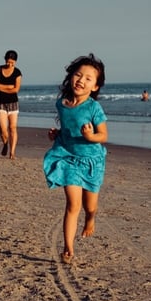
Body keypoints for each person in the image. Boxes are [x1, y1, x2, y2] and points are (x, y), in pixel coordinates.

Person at [43, 54, 108, 263]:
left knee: (90, 207)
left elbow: (103, 135)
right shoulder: (61, 104)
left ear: (95, 86)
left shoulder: (93, 108)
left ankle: (90, 219)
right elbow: (66, 128)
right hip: (67, 157)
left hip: (91, 161)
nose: (81, 80)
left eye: (88, 78)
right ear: (71, 77)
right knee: (73, 204)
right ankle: (68, 248)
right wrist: (57, 134)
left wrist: (90, 136)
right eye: (78, 75)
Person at [0, 49, 22, 158]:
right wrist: (9, 87)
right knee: (3, 129)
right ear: (5, 60)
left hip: (13, 103)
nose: (9, 64)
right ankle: (5, 143)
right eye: (8, 62)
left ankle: (12, 152)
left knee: (13, 128)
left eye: (12, 62)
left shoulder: (17, 72)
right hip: (0, 103)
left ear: (15, 62)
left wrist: (2, 87)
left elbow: (16, 89)